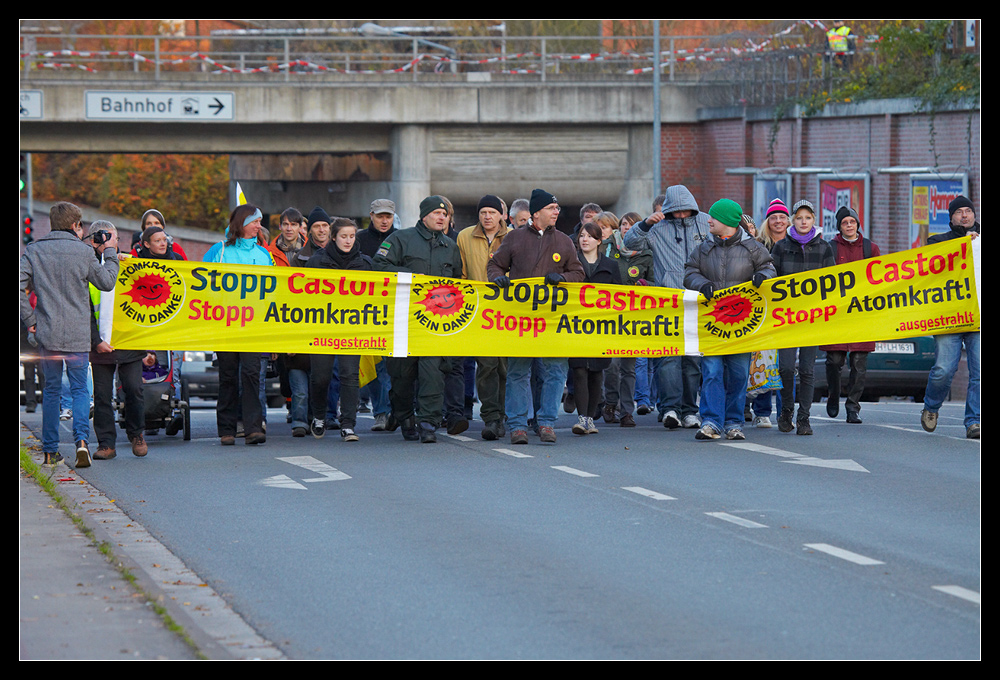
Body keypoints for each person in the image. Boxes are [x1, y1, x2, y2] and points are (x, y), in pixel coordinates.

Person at [20, 202, 120, 467]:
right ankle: (82, 443)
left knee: (51, 391)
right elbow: (107, 282)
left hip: (48, 332)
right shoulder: (84, 251)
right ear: (77, 226)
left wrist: (31, 320)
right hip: (78, 333)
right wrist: (109, 253)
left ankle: (51, 451)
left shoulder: (34, 250)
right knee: (79, 390)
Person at [487, 188, 585, 445]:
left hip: (552, 320)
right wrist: (497, 278)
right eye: (552, 209)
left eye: (557, 208)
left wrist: (563, 278)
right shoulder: (515, 239)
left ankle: (547, 423)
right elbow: (495, 264)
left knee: (555, 371)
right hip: (520, 319)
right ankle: (518, 425)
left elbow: (578, 273)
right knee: (518, 371)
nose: (557, 212)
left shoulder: (563, 241)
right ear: (536, 212)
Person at [373, 196, 465, 443]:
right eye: (436, 213)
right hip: (405, 321)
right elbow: (379, 266)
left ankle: (428, 423)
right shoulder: (401, 239)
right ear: (424, 216)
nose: (441, 217)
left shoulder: (451, 247)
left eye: (444, 214)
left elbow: (457, 283)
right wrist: (413, 276)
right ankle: (404, 416)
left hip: (436, 324)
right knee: (402, 375)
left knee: (432, 373)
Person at [684, 199, 775, 440]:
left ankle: (734, 423)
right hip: (712, 324)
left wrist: (761, 277)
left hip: (742, 325)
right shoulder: (703, 248)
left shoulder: (752, 248)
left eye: (713, 217)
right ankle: (712, 421)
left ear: (726, 221)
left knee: (738, 374)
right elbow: (689, 272)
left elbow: (769, 269)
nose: (709, 221)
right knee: (712, 371)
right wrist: (702, 284)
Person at [623, 185, 709, 430]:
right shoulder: (657, 229)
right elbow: (629, 243)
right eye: (677, 211)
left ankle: (690, 410)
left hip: (697, 301)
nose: (682, 216)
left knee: (692, 360)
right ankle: (670, 408)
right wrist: (645, 224)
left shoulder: (705, 223)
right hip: (668, 302)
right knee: (668, 359)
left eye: (686, 211)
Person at [203, 204, 273, 446]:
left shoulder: (264, 255)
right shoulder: (219, 250)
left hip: (253, 325)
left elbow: (272, 290)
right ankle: (227, 429)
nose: (259, 226)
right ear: (242, 223)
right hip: (225, 324)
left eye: (260, 222)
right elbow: (203, 283)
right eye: (255, 221)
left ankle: (253, 427)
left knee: (253, 374)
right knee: (229, 376)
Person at [87, 220, 154, 460]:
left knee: (135, 390)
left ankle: (137, 434)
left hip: (128, 341)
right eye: (109, 239)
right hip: (101, 344)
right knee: (103, 396)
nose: (114, 244)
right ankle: (106, 443)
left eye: (115, 239)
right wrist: (95, 341)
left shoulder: (128, 264)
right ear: (97, 240)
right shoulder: (87, 266)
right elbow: (85, 309)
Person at [771, 199, 835, 435]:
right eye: (799, 218)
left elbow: (832, 282)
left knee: (807, 369)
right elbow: (771, 278)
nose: (803, 221)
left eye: (807, 218)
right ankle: (786, 409)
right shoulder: (780, 247)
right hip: (786, 317)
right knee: (786, 368)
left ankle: (804, 418)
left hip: (812, 317)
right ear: (792, 220)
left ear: (814, 220)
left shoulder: (824, 247)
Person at [305, 218, 371, 442]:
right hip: (322, 327)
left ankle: (348, 425)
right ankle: (320, 416)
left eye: (352, 236)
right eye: (344, 236)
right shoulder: (317, 262)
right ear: (333, 237)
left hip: (352, 327)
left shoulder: (365, 263)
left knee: (349, 375)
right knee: (321, 377)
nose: (348, 241)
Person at [920, 196, 980, 439]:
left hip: (977, 318)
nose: (964, 215)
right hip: (949, 318)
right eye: (959, 212)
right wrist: (962, 245)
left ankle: (974, 420)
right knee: (944, 369)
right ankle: (931, 406)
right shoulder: (939, 241)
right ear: (951, 217)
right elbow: (932, 262)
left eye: (968, 211)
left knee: (979, 371)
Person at [457, 194, 513, 440]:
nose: (487, 217)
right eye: (483, 213)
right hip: (478, 312)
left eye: (492, 212)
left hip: (509, 312)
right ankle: (491, 418)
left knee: (506, 367)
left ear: (502, 214)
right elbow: (460, 274)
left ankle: (505, 414)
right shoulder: (464, 236)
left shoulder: (514, 237)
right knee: (486, 366)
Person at [820, 206, 881, 424]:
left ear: (857, 224)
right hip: (836, 314)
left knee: (859, 363)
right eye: (845, 222)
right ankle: (833, 395)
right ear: (839, 226)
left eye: (852, 222)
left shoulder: (870, 247)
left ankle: (853, 407)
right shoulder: (830, 248)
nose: (849, 225)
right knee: (834, 360)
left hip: (862, 314)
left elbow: (879, 277)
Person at [570, 222, 622, 435]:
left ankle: (591, 418)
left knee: (597, 370)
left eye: (590, 236)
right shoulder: (572, 263)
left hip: (602, 325)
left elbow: (620, 296)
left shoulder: (610, 265)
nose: (585, 239)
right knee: (579, 369)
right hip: (575, 325)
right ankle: (582, 418)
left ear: (599, 241)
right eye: (582, 235)